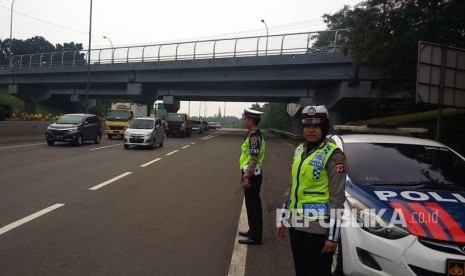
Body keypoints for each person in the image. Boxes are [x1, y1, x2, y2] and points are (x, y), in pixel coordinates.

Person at [277, 105, 346, 276]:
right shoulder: (299, 150)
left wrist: (332, 236)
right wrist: (283, 217)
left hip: (318, 228)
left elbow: (337, 198)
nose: (311, 130)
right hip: (297, 224)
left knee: (317, 272)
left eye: (316, 126)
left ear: (324, 128)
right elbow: (292, 187)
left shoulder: (334, 155)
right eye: (307, 126)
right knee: (301, 270)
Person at [238, 108, 266, 245]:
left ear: (250, 120)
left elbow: (254, 158)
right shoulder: (252, 134)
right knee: (250, 204)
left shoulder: (254, 136)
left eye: (245, 118)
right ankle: (252, 231)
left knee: (254, 206)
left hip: (252, 174)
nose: (244, 120)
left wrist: (247, 177)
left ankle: (255, 236)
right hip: (250, 173)